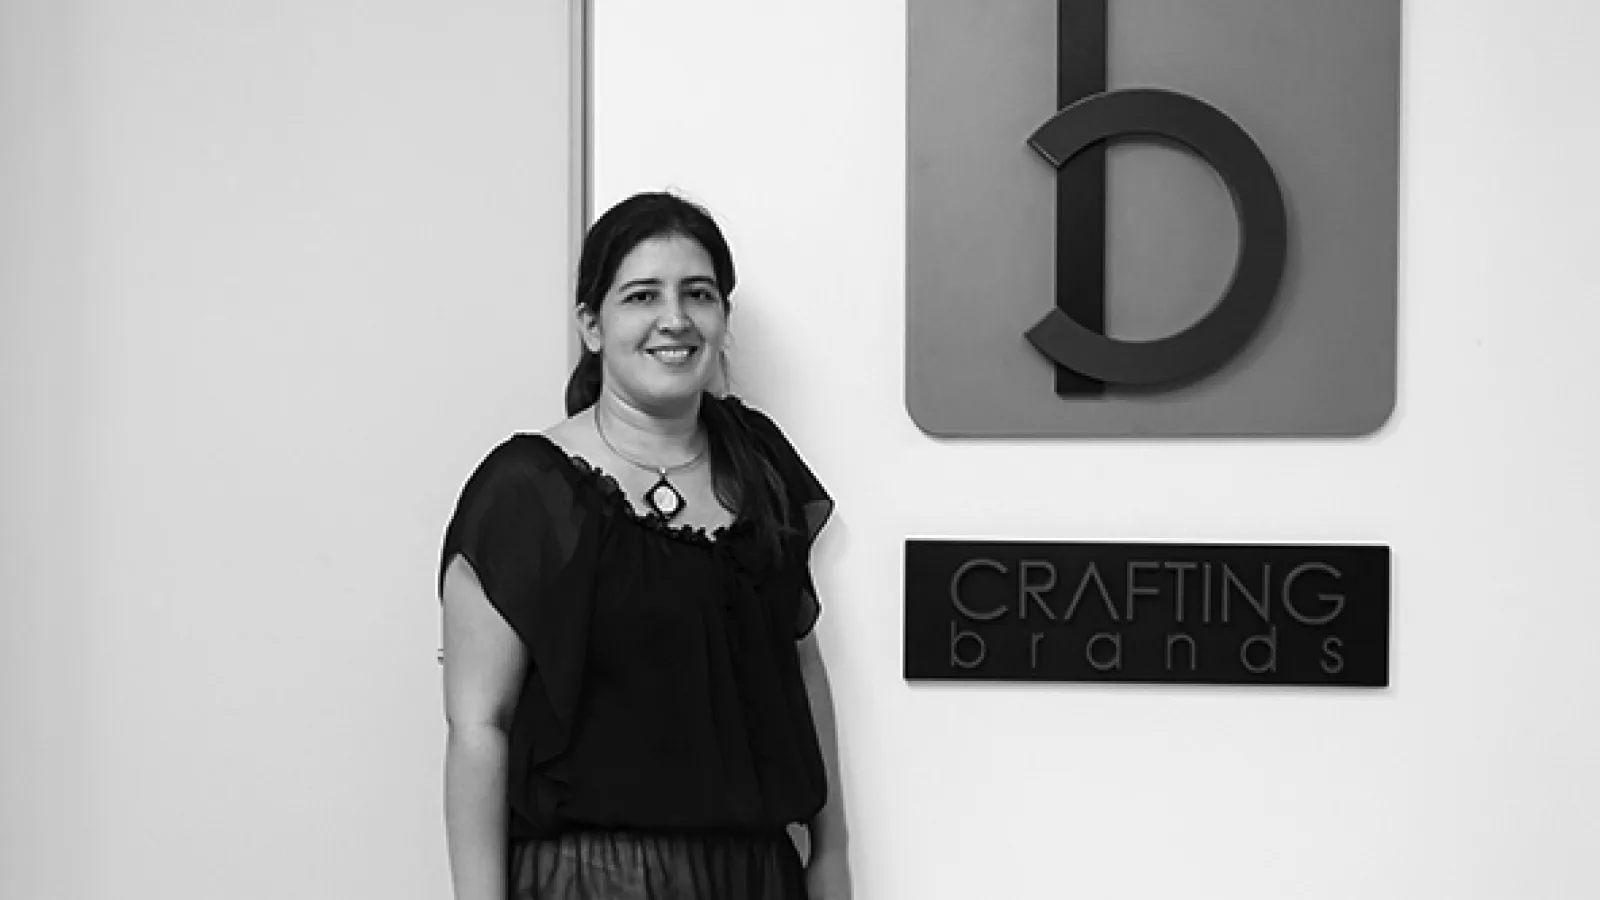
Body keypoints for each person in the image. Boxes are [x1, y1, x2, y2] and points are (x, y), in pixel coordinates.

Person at [436, 192, 852, 900]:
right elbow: (479, 726)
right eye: (642, 296)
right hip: (589, 880)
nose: (675, 319)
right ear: (591, 325)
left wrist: (831, 857)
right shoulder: (526, 492)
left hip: (757, 876)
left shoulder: (759, 463)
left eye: (699, 294)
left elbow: (800, 668)